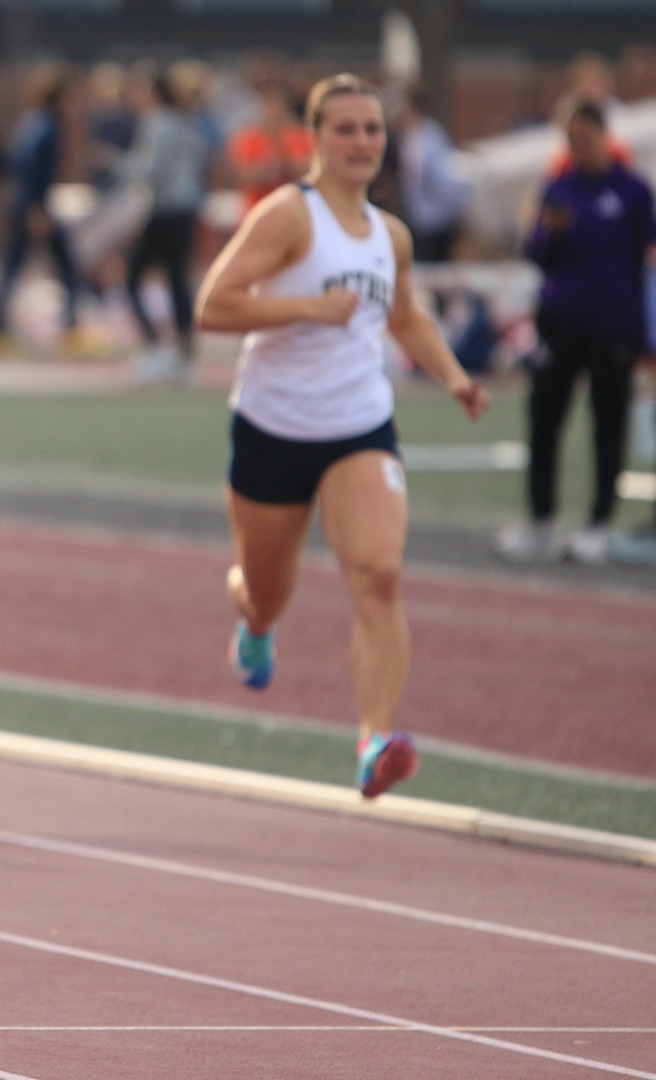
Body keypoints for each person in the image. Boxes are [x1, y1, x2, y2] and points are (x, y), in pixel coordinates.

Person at [196, 73, 489, 800]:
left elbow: (407, 318)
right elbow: (213, 305)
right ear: (316, 139)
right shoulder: (287, 217)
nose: (361, 142)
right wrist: (306, 309)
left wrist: (453, 377)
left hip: (359, 424)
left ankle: (374, 739)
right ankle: (254, 624)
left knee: (380, 573)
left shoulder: (391, 234)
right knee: (266, 592)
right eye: (346, 129)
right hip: (273, 424)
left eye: (372, 130)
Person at [495, 98, 655, 566]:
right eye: (571, 141)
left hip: (613, 327)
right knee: (544, 419)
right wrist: (552, 231)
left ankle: (598, 523)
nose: (579, 149)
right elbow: (539, 255)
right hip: (561, 323)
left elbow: (641, 258)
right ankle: (541, 520)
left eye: (586, 139)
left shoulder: (632, 192)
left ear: (605, 137)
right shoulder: (558, 189)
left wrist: (644, 333)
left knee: (608, 425)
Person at [123, 67, 213, 385]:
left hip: (165, 208)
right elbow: (203, 158)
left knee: (134, 277)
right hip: (187, 206)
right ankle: (184, 345)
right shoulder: (189, 123)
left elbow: (150, 169)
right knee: (177, 277)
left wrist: (117, 166)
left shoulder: (158, 122)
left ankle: (153, 345)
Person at [0, 64, 87, 352]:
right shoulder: (47, 125)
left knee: (15, 266)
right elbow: (31, 169)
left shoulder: (32, 121)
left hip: (26, 203)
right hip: (33, 205)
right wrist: (36, 209)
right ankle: (70, 328)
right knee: (59, 266)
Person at [393, 90, 467, 264]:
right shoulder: (411, 136)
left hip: (434, 220)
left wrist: (453, 210)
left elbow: (441, 177)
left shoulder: (429, 136)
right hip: (419, 218)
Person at [227, 85, 312, 218]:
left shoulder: (299, 136)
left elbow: (310, 172)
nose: (274, 114)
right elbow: (243, 177)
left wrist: (286, 163)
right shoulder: (248, 138)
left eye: (279, 109)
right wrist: (267, 170)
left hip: (293, 213)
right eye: (270, 108)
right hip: (257, 212)